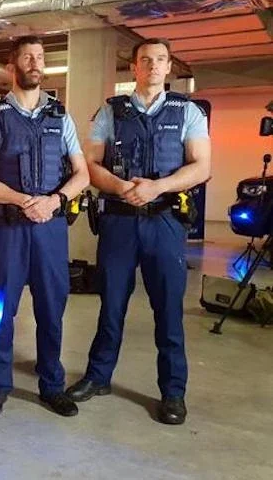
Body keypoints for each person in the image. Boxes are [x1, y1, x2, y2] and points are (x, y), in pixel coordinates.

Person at [65, 38, 211, 425]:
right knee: (111, 304)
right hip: (119, 221)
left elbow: (201, 166)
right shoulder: (111, 111)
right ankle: (99, 377)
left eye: (160, 60)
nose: (153, 66)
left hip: (164, 222)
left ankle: (173, 392)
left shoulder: (189, 112)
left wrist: (157, 188)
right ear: (134, 68)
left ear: (169, 67)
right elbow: (90, 164)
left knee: (168, 310)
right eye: (145, 60)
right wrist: (121, 188)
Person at [0, 36, 90, 417]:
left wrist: (55, 201)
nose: (36, 63)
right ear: (12, 66)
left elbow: (82, 174)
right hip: (8, 230)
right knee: (2, 310)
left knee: (53, 309)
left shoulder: (60, 116)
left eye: (40, 57)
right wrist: (22, 200)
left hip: (50, 228)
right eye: (27, 57)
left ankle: (52, 385)